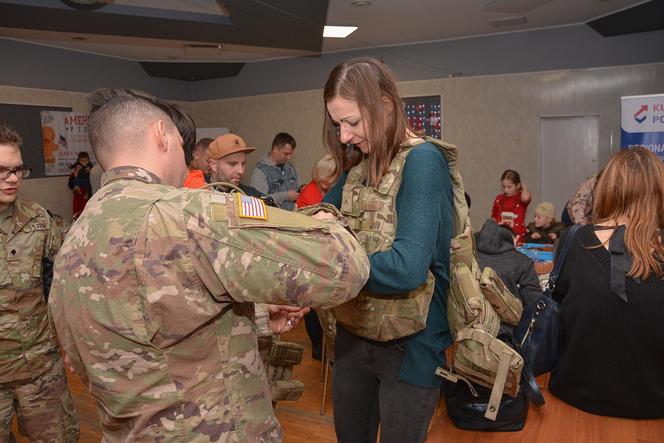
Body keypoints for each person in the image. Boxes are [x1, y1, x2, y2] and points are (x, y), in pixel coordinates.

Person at [48, 89, 370, 442]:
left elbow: (134, 336)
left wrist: (257, 314)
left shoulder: (73, 240)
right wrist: (328, 220)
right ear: (161, 133)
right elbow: (345, 268)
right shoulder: (187, 214)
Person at [319, 57, 453, 443]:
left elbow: (408, 267)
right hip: (352, 337)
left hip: (409, 348)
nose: (343, 137)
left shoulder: (424, 161)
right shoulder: (357, 167)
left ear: (385, 105)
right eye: (337, 124)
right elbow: (315, 229)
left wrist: (326, 269)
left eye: (352, 123)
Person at [550, 147, 664, 419]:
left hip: (573, 397)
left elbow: (564, 309)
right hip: (654, 405)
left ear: (607, 187)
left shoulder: (575, 241)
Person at [0, 123, 79, 442]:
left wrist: (71, 344)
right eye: (3, 171)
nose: (14, 178)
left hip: (40, 370)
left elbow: (60, 286)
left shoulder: (38, 219)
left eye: (18, 169)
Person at [295, 154, 337, 360]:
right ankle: (318, 345)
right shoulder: (308, 194)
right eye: (324, 185)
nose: (327, 189)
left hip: (329, 254)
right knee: (312, 304)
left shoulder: (332, 188)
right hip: (310, 254)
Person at [475, 218, 542, 307]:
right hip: (507, 319)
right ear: (511, 240)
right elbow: (534, 301)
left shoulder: (467, 254)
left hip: (467, 315)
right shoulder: (522, 261)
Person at [250, 132, 300, 210]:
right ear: (275, 149)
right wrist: (285, 196)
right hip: (274, 219)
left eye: (290, 154)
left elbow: (297, 189)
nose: (289, 157)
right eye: (286, 154)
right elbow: (259, 200)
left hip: (294, 216)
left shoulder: (291, 167)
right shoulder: (260, 172)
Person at [207, 133, 264, 198]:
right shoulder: (198, 192)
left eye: (243, 164)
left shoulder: (252, 195)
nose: (241, 171)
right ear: (213, 165)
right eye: (232, 164)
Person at [491, 169, 531, 242]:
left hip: (517, 238)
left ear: (518, 185)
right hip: (501, 237)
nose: (506, 190)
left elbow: (526, 198)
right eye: (503, 187)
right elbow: (494, 217)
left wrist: (524, 187)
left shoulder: (520, 198)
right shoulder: (499, 199)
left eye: (509, 187)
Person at [68, 150, 93, 219]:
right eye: (82, 160)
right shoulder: (76, 168)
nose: (84, 162)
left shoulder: (91, 168)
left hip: (88, 195)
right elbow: (70, 185)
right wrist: (75, 173)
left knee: (88, 215)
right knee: (78, 215)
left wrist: (91, 172)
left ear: (88, 160)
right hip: (78, 195)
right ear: (78, 160)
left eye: (86, 160)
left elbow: (94, 182)